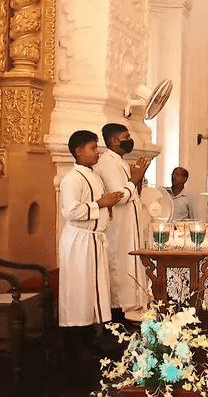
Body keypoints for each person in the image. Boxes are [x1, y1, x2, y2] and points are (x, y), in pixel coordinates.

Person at [58, 130, 124, 360]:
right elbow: (71, 211)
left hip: (94, 240)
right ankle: (76, 343)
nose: (97, 152)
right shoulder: (71, 179)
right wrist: (101, 203)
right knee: (79, 292)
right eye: (93, 148)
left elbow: (96, 203)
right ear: (78, 151)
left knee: (94, 290)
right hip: (79, 242)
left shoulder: (92, 175)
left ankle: (94, 336)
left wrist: (108, 205)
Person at [93, 123, 151, 323]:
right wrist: (134, 179)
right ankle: (121, 315)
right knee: (121, 267)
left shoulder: (119, 161)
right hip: (118, 226)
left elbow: (134, 194)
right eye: (126, 137)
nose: (129, 140)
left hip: (129, 224)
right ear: (115, 140)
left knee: (131, 265)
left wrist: (138, 178)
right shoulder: (108, 162)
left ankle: (133, 309)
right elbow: (121, 197)